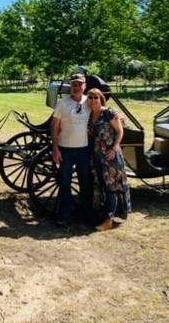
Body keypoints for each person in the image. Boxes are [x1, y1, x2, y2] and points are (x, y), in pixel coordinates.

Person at [50, 71, 96, 224]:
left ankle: (87, 214)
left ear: (85, 86)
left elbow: (101, 112)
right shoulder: (62, 104)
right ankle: (65, 215)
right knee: (64, 183)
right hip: (65, 149)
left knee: (86, 182)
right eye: (73, 85)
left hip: (83, 150)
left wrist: (117, 116)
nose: (76, 87)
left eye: (79, 85)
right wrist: (55, 148)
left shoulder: (89, 102)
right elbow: (54, 126)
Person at [84, 79, 129, 231]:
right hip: (97, 156)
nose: (93, 100)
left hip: (110, 155)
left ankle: (108, 220)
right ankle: (103, 215)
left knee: (111, 187)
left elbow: (120, 130)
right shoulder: (90, 116)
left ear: (101, 98)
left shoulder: (108, 113)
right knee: (102, 185)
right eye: (90, 97)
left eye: (96, 97)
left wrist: (115, 147)